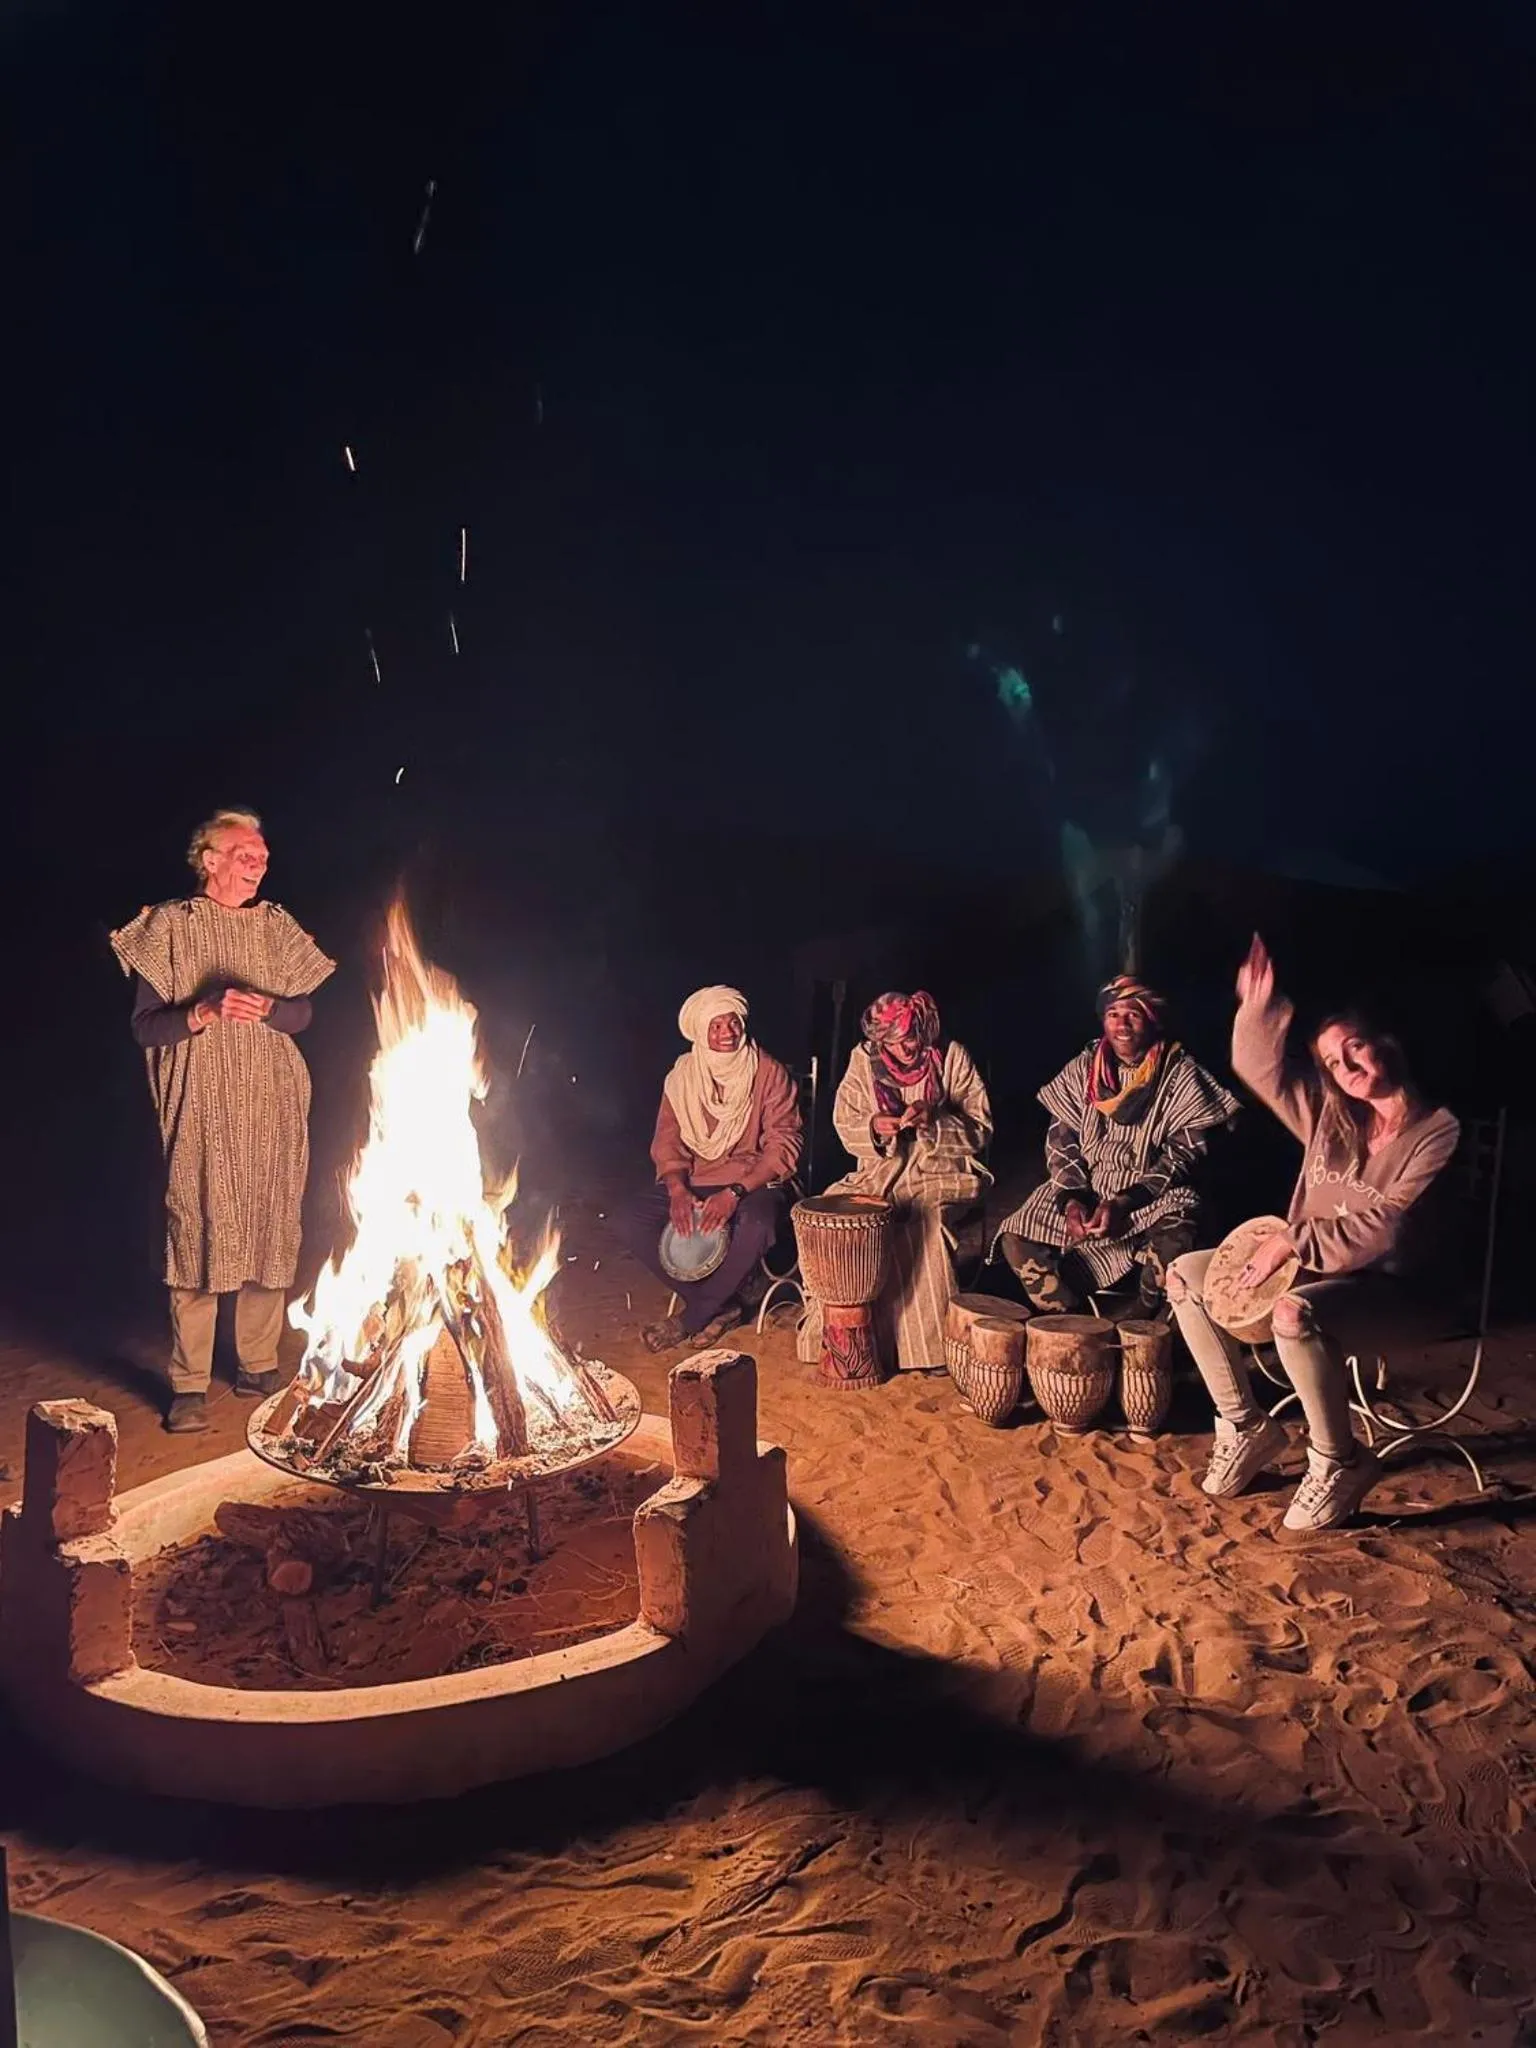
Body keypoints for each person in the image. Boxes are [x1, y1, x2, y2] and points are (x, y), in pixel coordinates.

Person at [1167, 935, 1461, 1533]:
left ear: (1389, 1043)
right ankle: (1245, 1424)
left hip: (1395, 1291)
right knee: (1185, 1276)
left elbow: (1394, 1229)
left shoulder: (1437, 1131)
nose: (1347, 1069)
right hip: (1315, 1268)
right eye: (1331, 1061)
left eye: (1355, 1050)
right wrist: (1257, 1009)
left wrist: (1293, 1241)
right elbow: (1258, 1068)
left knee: (1294, 1313)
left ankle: (1338, 1460)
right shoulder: (1333, 1115)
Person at [110, 809, 335, 1432]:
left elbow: (304, 1015)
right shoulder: (168, 927)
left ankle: (257, 1363)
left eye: (261, 854)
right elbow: (144, 1028)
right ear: (207, 858)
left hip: (273, 1098)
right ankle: (187, 1383)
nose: (257, 863)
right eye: (243, 853)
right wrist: (204, 1010)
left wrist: (272, 1008)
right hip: (200, 1102)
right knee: (199, 1222)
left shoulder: (275, 926)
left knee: (269, 1218)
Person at [995, 974, 1238, 1316]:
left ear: (1151, 1020)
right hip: (1090, 1186)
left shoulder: (1180, 1073)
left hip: (1153, 1194)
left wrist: (1126, 1201)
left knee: (1179, 1235)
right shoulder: (1084, 1067)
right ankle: (1073, 1325)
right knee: (1016, 1236)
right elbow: (1062, 1143)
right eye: (1113, 1014)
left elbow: (1181, 1158)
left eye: (1133, 1015)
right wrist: (1072, 1201)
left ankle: (1143, 1326)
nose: (1121, 1025)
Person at [802, 990, 992, 1372]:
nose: (906, 1047)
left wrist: (935, 1120)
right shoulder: (863, 1061)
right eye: (893, 1040)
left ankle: (931, 1349)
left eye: (911, 1037)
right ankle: (852, 1341)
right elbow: (845, 1121)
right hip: (880, 1167)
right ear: (879, 1040)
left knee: (924, 1220)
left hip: (941, 1169)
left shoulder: (950, 1056)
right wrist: (874, 1126)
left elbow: (981, 1128)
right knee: (840, 1217)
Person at [621, 986, 802, 1351]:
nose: (727, 1033)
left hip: (753, 1182)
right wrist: (676, 1190)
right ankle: (726, 1304)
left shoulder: (768, 1072)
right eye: (716, 1026)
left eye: (732, 1022)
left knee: (758, 1224)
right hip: (693, 1180)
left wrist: (735, 1193)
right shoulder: (682, 1078)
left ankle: (696, 1315)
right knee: (628, 1220)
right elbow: (667, 1141)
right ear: (701, 1032)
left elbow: (784, 1145)